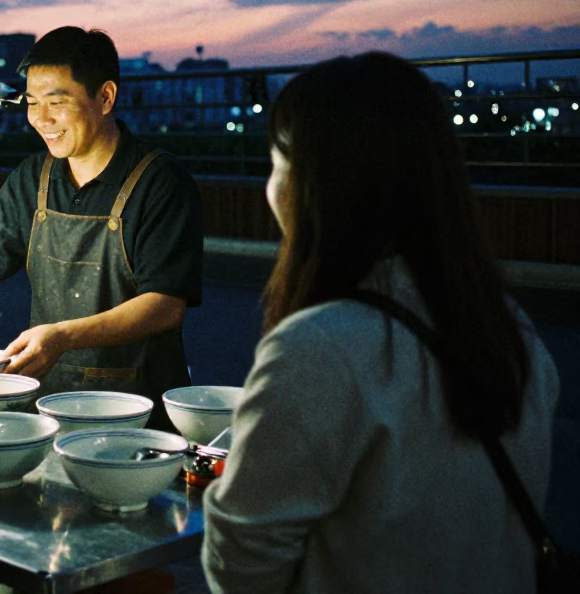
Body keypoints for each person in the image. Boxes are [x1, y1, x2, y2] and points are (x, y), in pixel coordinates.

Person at [202, 52, 559, 593]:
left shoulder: (318, 347)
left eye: (276, 162)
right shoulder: (511, 328)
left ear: (315, 184)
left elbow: (241, 565)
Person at [0, 26, 203, 428]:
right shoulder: (33, 178)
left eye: (56, 102)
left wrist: (62, 336)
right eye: (31, 102)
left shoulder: (160, 181)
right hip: (47, 408)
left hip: (136, 413)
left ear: (105, 97)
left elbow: (165, 306)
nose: (41, 118)